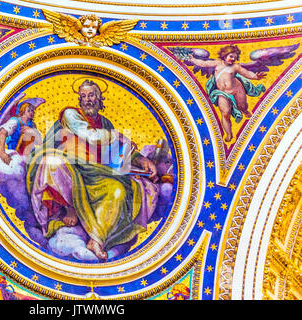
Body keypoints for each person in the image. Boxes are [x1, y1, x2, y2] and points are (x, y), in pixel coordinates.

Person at [26, 80, 160, 261]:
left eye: (91, 95)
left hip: (97, 172)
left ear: (99, 98)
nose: (87, 100)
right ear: (79, 100)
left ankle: (97, 240)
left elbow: (116, 153)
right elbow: (90, 135)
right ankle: (69, 207)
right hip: (71, 166)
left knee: (118, 190)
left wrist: (141, 159)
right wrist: (116, 136)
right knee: (53, 163)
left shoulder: (105, 124)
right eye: (83, 96)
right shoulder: (71, 114)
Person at [188, 45, 266, 142]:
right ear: (225, 55)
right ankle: (229, 134)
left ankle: (245, 111)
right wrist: (193, 60)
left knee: (242, 106)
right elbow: (204, 63)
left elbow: (246, 73)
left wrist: (256, 76)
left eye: (235, 57)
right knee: (225, 114)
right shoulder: (217, 63)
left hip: (237, 90)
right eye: (231, 56)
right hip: (222, 93)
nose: (233, 59)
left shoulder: (235, 66)